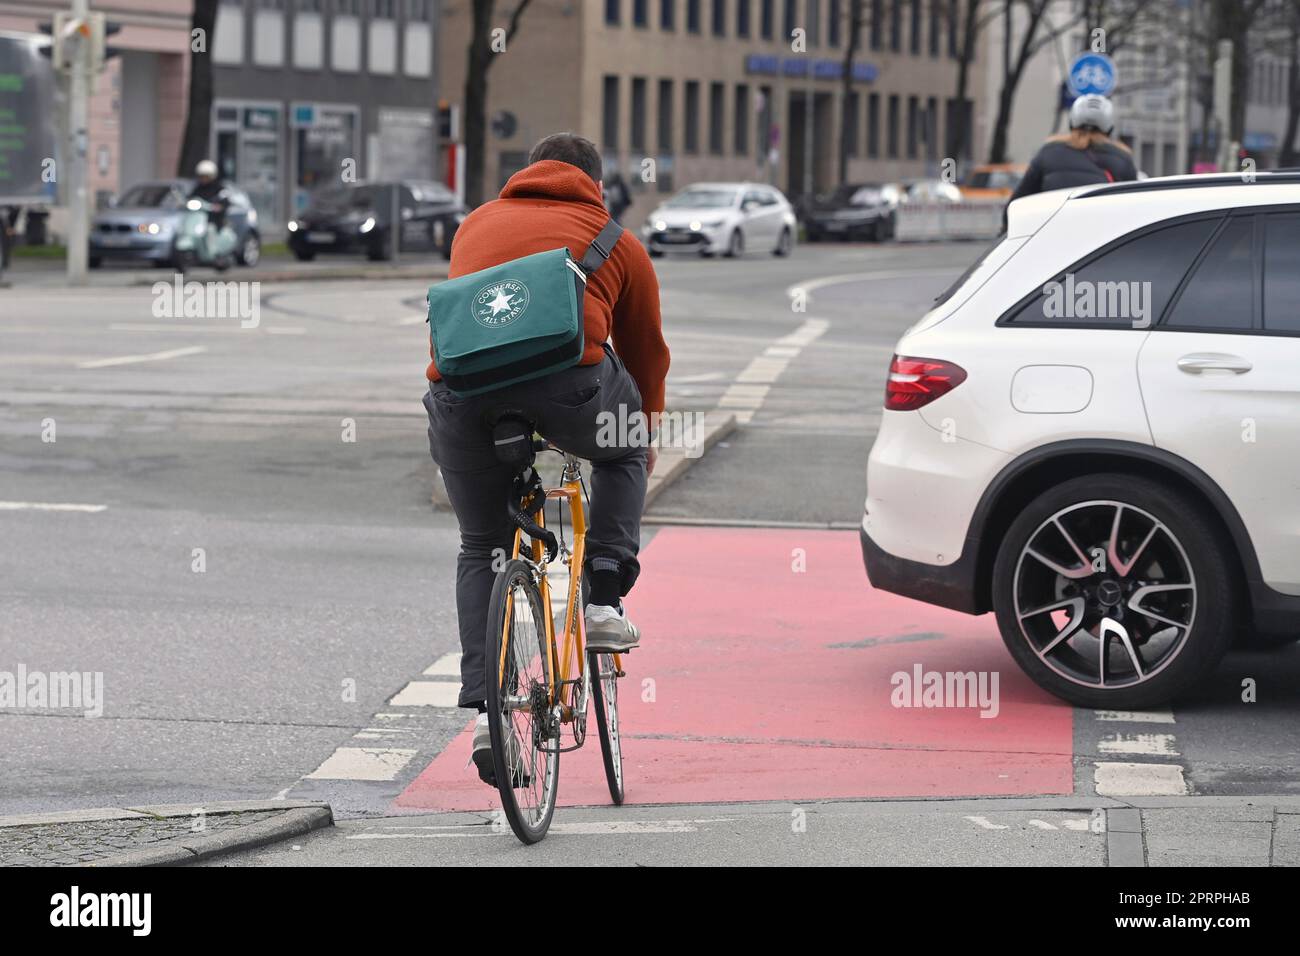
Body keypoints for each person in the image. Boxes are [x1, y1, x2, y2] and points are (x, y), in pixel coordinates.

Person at [422, 132, 669, 785]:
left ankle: (485, 716)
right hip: (572, 394)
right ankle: (605, 601)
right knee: (624, 448)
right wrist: (645, 430)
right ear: (594, 183)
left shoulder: (475, 223)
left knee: (482, 544)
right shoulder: (616, 240)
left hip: (462, 400)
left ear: (527, 173)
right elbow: (646, 356)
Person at [1007, 95, 1137, 207]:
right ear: (1109, 128)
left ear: (1072, 122)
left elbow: (1018, 200)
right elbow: (1134, 205)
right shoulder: (1122, 158)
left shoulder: (1049, 151)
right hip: (1104, 233)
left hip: (1052, 230)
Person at [188, 160, 229, 231]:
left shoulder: (218, 188)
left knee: (211, 230)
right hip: (198, 219)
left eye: (206, 176)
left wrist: (219, 207)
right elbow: (190, 198)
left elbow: (225, 201)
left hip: (213, 220)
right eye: (201, 176)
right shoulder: (198, 188)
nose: (203, 179)